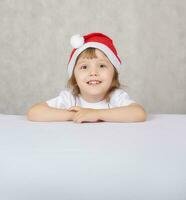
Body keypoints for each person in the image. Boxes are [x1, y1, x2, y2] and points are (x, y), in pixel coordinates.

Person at [27, 32, 147, 123]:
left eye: (101, 65)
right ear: (74, 76)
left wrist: (96, 114)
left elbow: (139, 113)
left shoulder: (115, 97)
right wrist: (75, 115)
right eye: (84, 67)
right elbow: (34, 112)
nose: (93, 72)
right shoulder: (70, 98)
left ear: (113, 74)